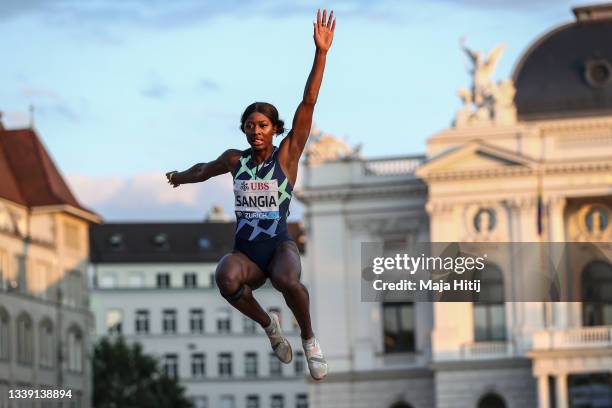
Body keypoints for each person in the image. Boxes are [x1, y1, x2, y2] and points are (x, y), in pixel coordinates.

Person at [165, 9, 336, 381]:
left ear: (275, 129)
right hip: (247, 254)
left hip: (278, 247)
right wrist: (180, 177)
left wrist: (320, 53)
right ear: (243, 130)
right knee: (225, 277)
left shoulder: (286, 156)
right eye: (250, 126)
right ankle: (270, 328)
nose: (256, 132)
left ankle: (309, 339)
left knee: (288, 281)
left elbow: (308, 103)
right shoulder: (235, 160)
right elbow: (204, 169)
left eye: (263, 126)